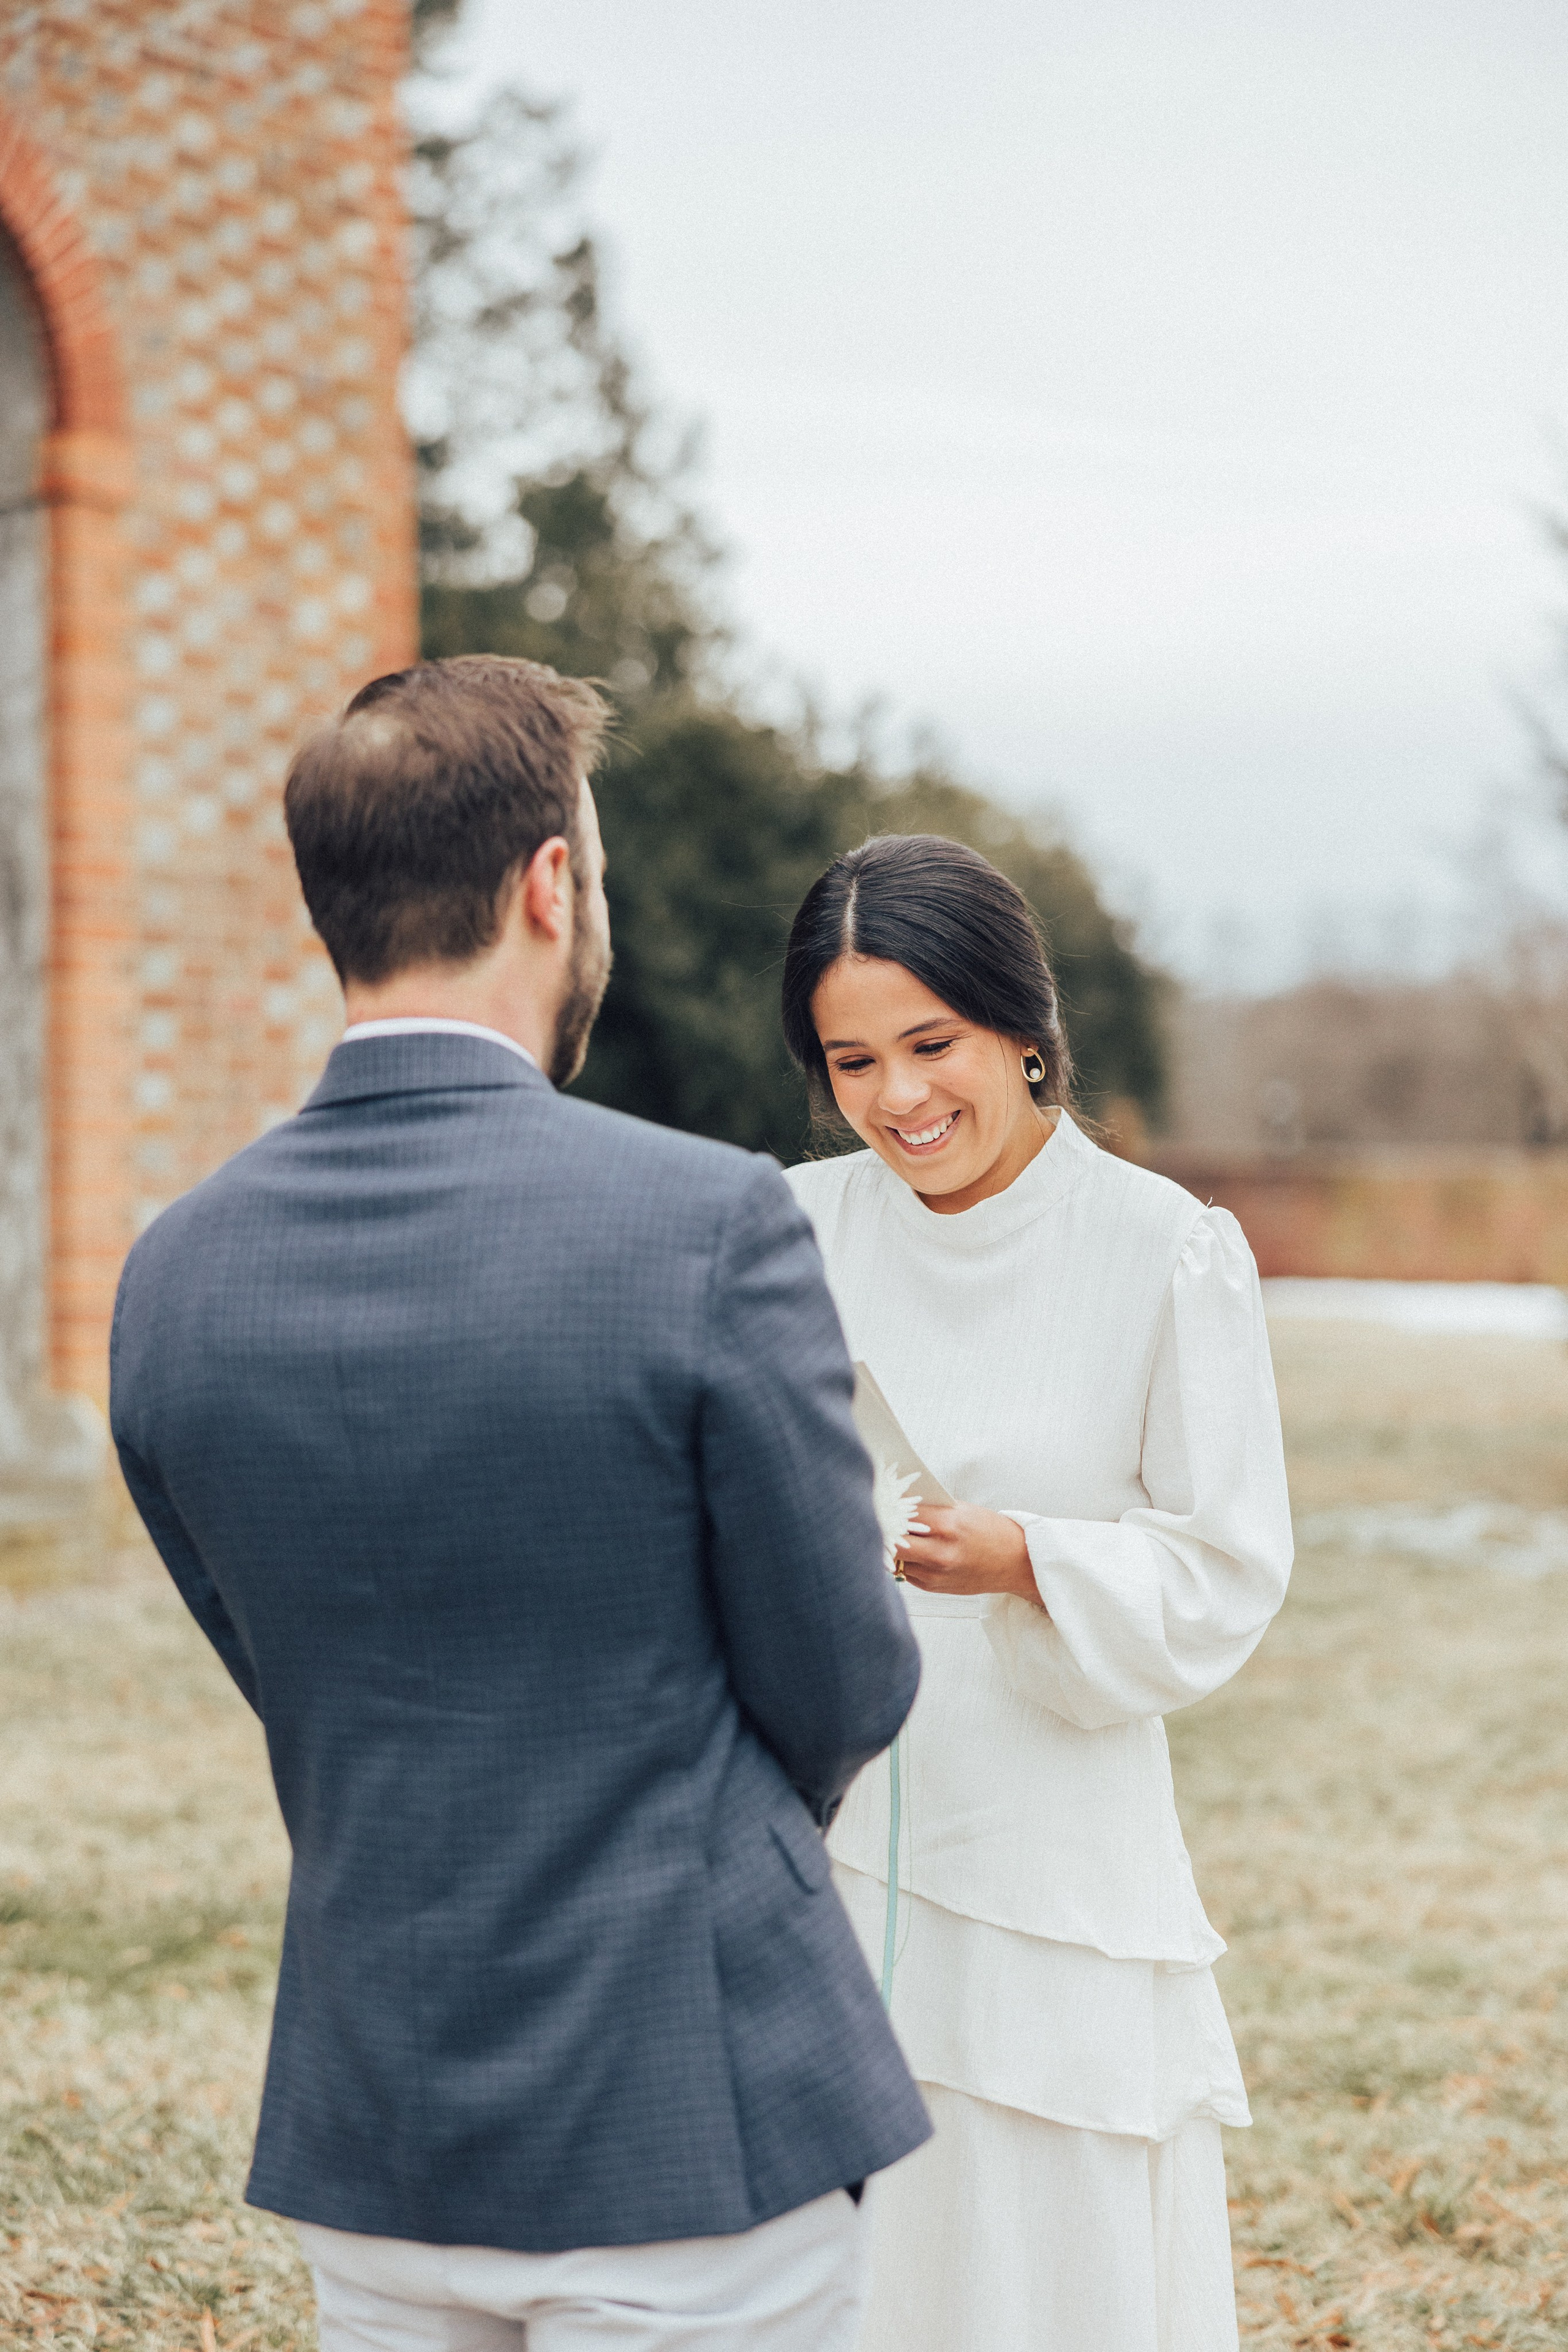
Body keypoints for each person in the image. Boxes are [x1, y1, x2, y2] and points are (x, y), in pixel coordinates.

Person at [108, 657, 930, 2352]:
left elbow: (287, 1662)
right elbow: (846, 1680)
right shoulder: (705, 1226)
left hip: (379, 2130)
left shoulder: (175, 1276)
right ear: (551, 883)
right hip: (689, 2118)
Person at [779, 832, 1294, 2352]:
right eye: (851, 1058)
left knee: (1039, 2267)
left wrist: (1032, 1563)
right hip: (828, 1846)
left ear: (1020, 1026)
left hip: (1054, 1858)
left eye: (930, 1044)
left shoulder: (1160, 1249)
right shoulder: (789, 1230)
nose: (896, 1098)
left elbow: (1223, 1567)